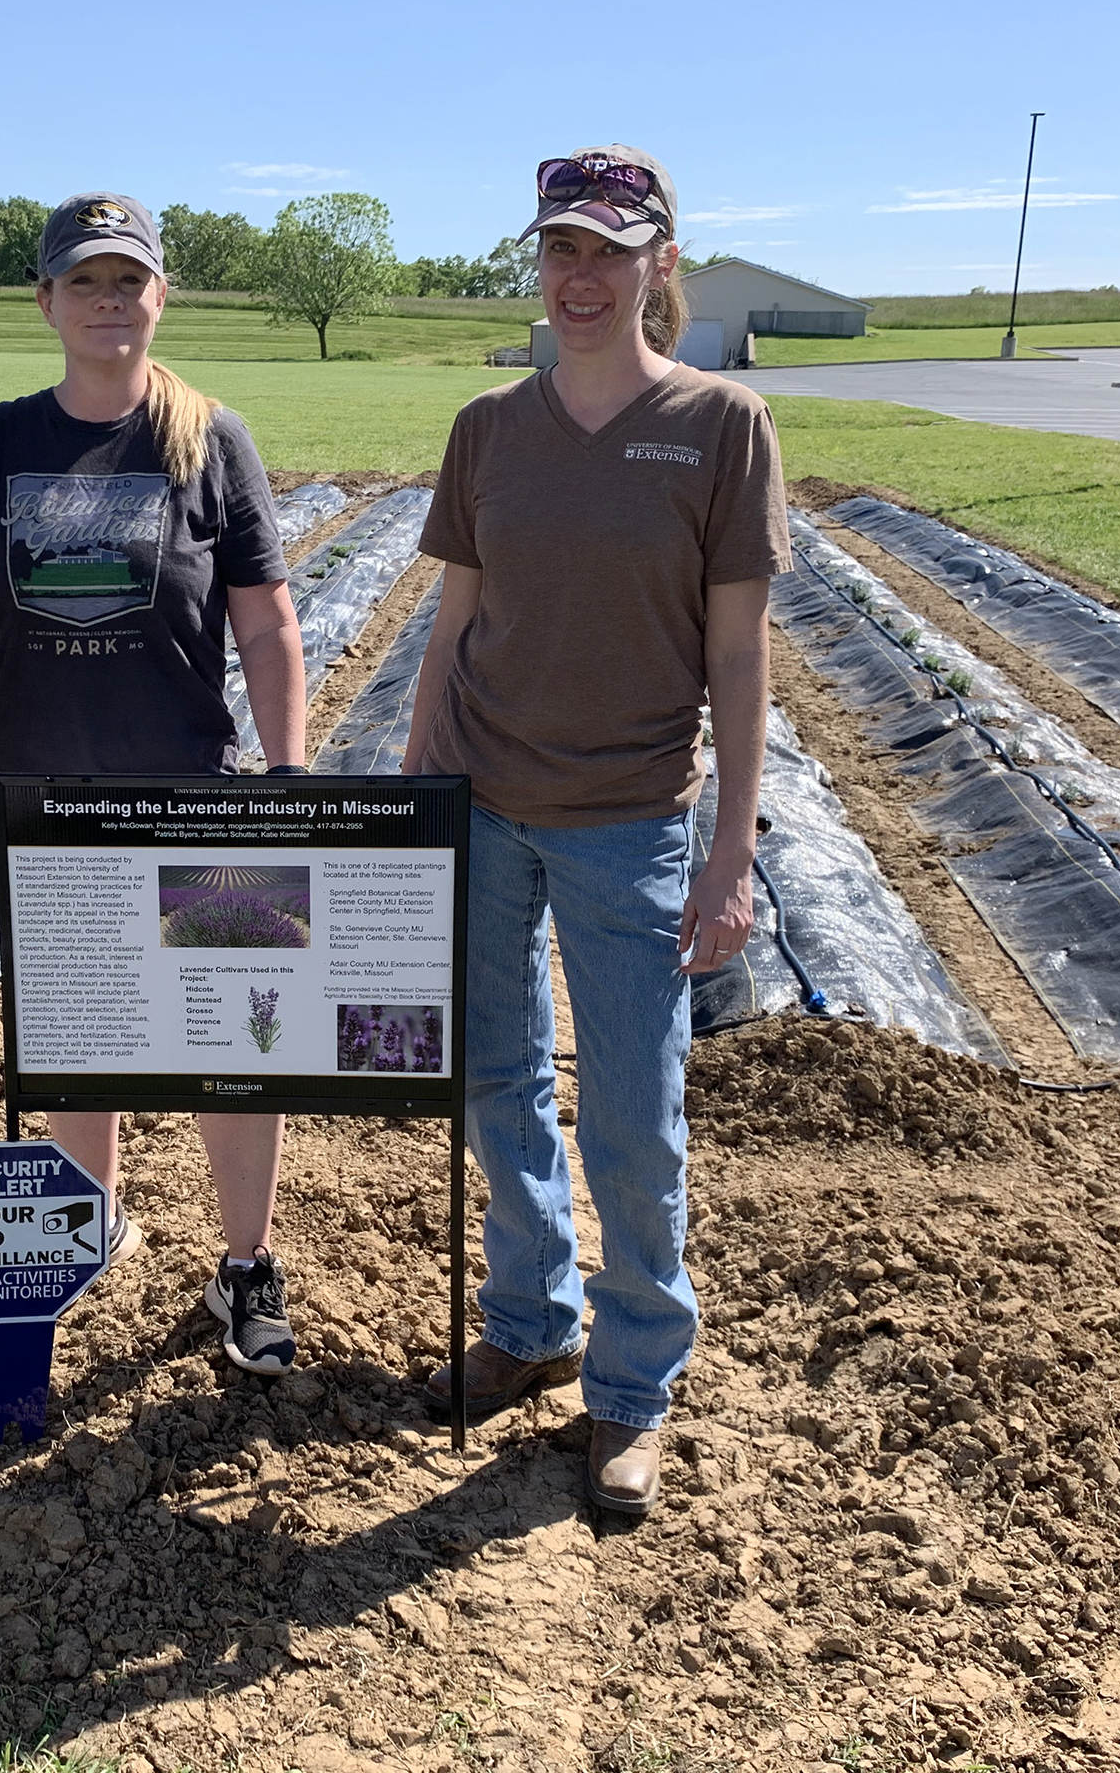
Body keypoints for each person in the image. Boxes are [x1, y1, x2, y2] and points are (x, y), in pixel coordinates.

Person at [401, 146, 784, 1514]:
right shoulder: (488, 430)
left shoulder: (721, 426)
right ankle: (530, 1320)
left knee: (635, 1114)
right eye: (560, 249)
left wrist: (731, 853)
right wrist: (416, 787)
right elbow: (451, 625)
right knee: (494, 1080)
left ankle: (631, 1390)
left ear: (660, 263)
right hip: (487, 810)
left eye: (609, 252)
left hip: (633, 826)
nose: (579, 276)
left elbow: (738, 661)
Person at [0, 194, 309, 1375]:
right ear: (45, 302)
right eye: (83, 282)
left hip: (191, 793)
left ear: (158, 297)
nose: (107, 302)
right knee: (84, 1041)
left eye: (127, 281)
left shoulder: (208, 440)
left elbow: (269, 624)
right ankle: (86, 1232)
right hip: (41, 798)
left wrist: (284, 776)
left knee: (237, 1039)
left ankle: (245, 1266)